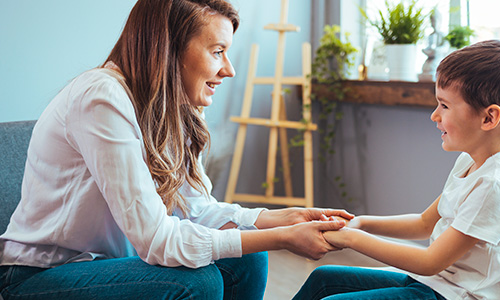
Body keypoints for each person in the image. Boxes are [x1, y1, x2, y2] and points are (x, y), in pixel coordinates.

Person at [0, 0, 352, 299]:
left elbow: (195, 210)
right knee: (198, 282)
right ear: (169, 47)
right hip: (38, 275)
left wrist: (278, 219)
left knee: (248, 256)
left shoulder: (171, 107)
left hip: (106, 262)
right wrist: (281, 238)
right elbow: (157, 240)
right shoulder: (101, 98)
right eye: (218, 52)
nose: (229, 70)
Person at [293, 40, 500, 300]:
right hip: (434, 284)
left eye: (444, 106)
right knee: (323, 280)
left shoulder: (497, 186)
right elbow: (425, 223)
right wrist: (361, 223)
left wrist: (349, 238)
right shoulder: (472, 161)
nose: (434, 116)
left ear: (489, 118)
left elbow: (429, 261)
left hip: (457, 295)